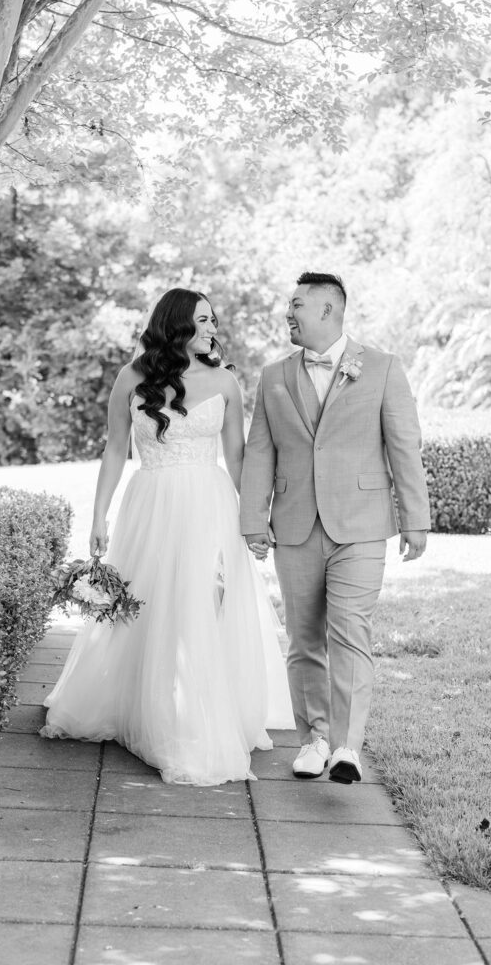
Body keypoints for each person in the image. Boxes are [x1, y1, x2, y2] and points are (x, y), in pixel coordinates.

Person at [41, 288, 294, 785]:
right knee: (149, 606)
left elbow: (238, 457)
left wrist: (254, 518)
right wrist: (99, 515)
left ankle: (196, 714)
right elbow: (116, 449)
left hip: (209, 503)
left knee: (204, 604)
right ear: (177, 324)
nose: (213, 329)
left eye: (214, 321)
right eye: (203, 320)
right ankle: (151, 710)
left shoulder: (225, 382)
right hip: (151, 503)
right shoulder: (132, 378)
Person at [240, 272, 430, 785]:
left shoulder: (384, 369)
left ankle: (347, 747)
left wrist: (415, 518)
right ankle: (314, 739)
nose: (288, 314)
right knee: (304, 640)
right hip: (296, 524)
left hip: (362, 525)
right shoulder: (273, 376)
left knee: (350, 633)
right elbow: (260, 451)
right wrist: (253, 520)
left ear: (328, 310)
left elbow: (404, 447)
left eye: (296, 305)